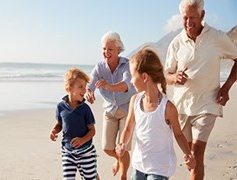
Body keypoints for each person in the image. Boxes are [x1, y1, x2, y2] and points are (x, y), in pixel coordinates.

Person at [164, 0, 237, 179]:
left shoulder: (217, 37)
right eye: (185, 18)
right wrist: (175, 78)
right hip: (182, 107)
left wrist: (226, 87)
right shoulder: (176, 43)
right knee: (191, 158)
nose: (188, 23)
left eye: (193, 18)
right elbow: (166, 73)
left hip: (207, 104)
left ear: (202, 16)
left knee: (196, 153)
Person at [116, 48, 196, 180]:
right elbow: (128, 128)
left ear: (144, 77)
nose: (130, 81)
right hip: (139, 164)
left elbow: (178, 134)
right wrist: (122, 144)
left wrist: (188, 154)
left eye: (132, 76)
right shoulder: (135, 100)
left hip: (160, 168)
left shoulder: (167, 108)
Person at [85, 31, 136, 180]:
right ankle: (118, 161)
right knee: (107, 148)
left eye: (110, 49)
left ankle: (124, 176)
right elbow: (91, 82)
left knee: (122, 148)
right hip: (110, 110)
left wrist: (109, 86)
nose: (106, 52)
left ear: (118, 49)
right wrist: (89, 92)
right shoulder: (100, 67)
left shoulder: (127, 65)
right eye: (104, 49)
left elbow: (127, 85)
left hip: (127, 109)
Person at [50, 68, 98, 180]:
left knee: (90, 178)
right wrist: (54, 130)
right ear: (69, 88)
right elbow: (59, 124)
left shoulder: (85, 109)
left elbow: (92, 131)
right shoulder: (60, 107)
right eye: (81, 87)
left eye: (85, 87)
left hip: (86, 152)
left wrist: (82, 140)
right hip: (68, 152)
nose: (84, 90)